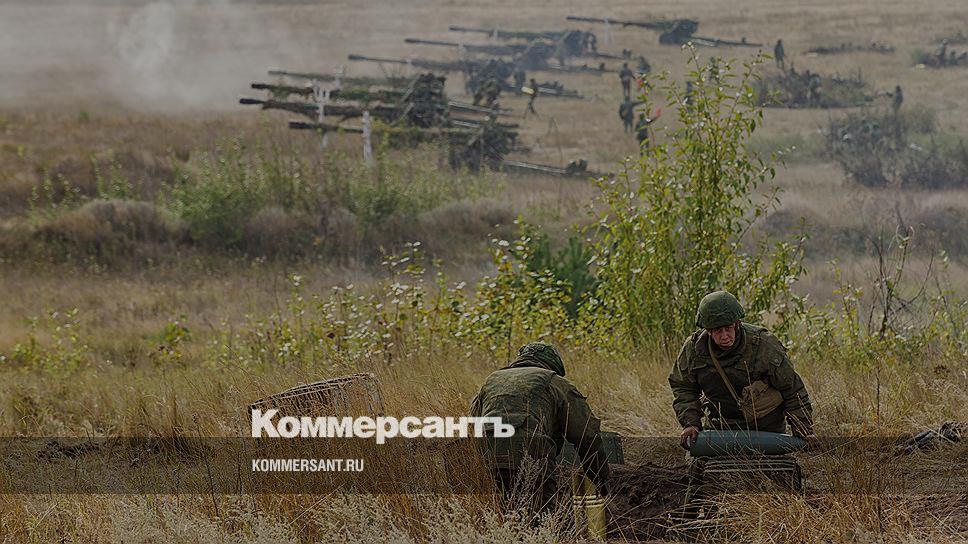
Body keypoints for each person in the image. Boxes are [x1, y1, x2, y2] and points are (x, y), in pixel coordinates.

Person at [669, 291, 815, 508]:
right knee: (699, 474)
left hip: (766, 426)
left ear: (737, 324)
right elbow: (683, 387)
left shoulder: (763, 345)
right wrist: (690, 423)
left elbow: (792, 389)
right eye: (718, 331)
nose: (725, 336)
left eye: (729, 328)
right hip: (722, 425)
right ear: (708, 330)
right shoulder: (694, 349)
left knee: (776, 475)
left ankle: (786, 512)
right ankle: (691, 517)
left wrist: (802, 427)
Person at [470, 342, 610, 512]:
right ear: (553, 365)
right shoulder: (555, 382)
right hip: (531, 456)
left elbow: (473, 424)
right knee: (538, 517)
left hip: (486, 457)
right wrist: (601, 479)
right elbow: (587, 435)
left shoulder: (491, 380)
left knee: (498, 516)